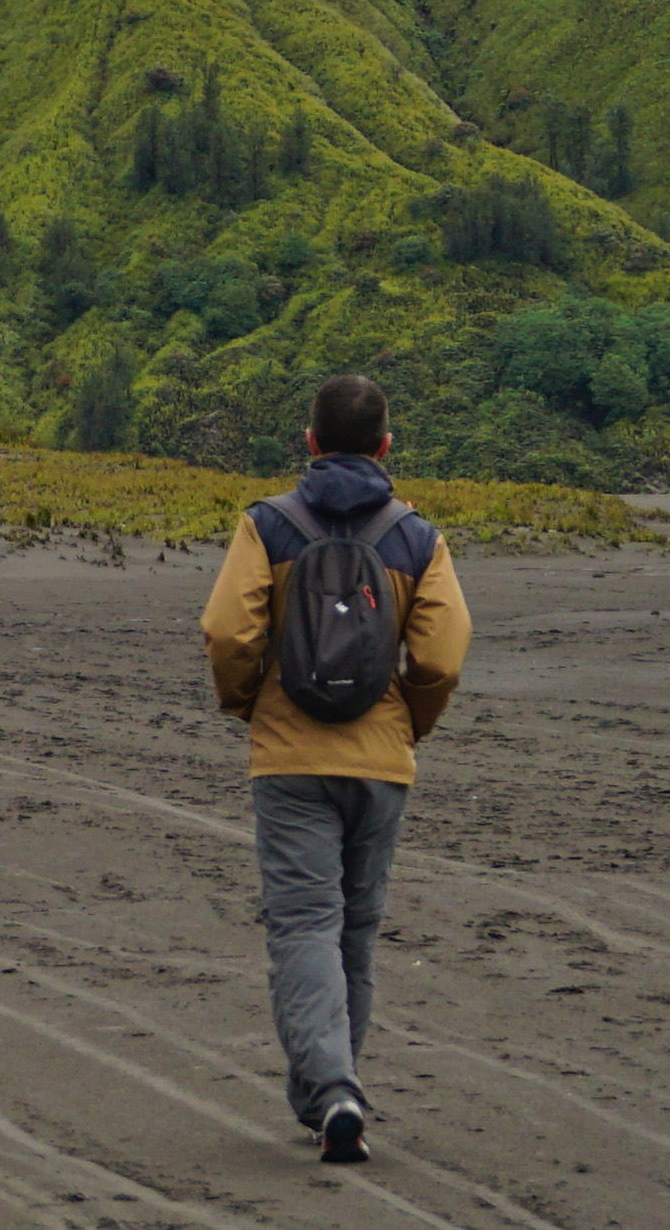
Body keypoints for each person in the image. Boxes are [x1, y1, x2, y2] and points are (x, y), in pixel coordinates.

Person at [201, 375, 472, 1163]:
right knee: (354, 929)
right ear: (387, 447)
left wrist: (249, 704)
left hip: (289, 760)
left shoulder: (267, 526)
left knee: (303, 925)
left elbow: (226, 634)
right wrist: (407, 720)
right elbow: (445, 654)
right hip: (383, 761)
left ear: (310, 442)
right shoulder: (417, 538)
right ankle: (335, 1085)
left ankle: (331, 1091)